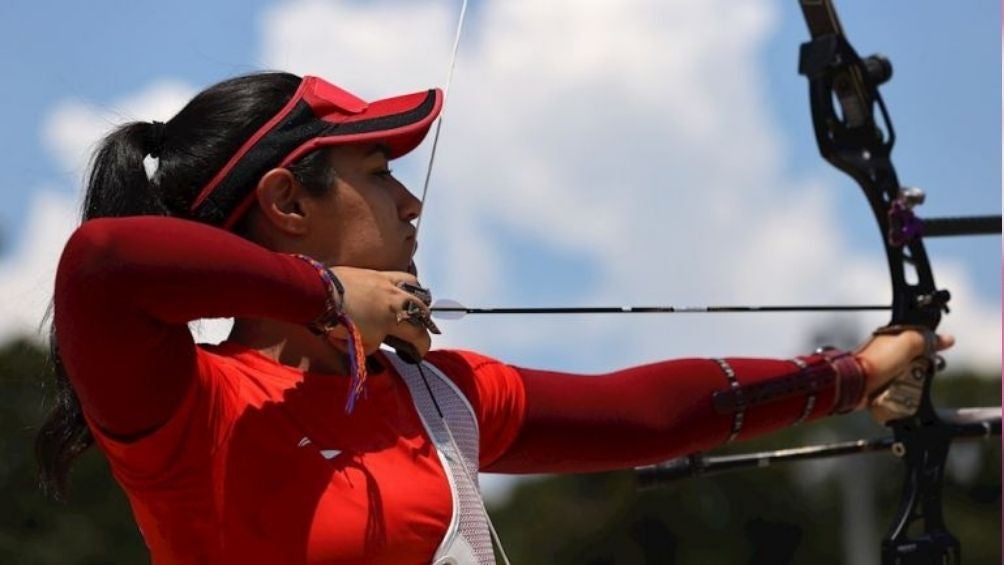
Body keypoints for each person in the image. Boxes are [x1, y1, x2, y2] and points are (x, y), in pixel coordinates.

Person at [38, 71, 952, 564]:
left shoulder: (437, 400)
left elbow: (649, 414)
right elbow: (103, 262)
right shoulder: (193, 411)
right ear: (285, 199)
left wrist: (859, 371)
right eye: (378, 171)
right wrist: (326, 295)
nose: (410, 201)